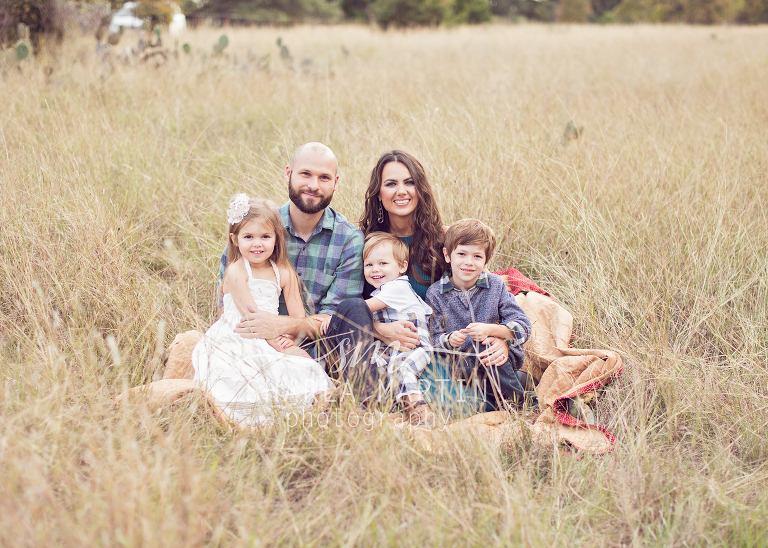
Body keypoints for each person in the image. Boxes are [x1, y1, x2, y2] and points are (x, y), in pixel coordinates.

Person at [229, 143, 380, 404]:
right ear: (288, 173)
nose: (314, 185)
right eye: (305, 174)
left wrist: (282, 325)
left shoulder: (349, 239)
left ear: (336, 182)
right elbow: (230, 300)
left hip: (323, 348)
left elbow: (331, 318)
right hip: (259, 342)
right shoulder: (255, 231)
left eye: (324, 178)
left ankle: (366, 404)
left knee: (355, 308)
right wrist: (270, 335)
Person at [359, 150, 512, 366]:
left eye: (409, 182)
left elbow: (484, 295)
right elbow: (347, 307)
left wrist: (500, 338)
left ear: (420, 189)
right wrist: (380, 331)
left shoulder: (445, 238)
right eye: (391, 184)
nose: (401, 191)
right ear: (378, 193)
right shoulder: (365, 243)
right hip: (379, 349)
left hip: (442, 349)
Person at [191, 196, 333, 426]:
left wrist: (288, 337)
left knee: (304, 364)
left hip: (271, 335)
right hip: (240, 335)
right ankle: (242, 420)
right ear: (235, 240)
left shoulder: (283, 272)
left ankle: (315, 410)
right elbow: (251, 316)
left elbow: (299, 319)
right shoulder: (237, 271)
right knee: (247, 375)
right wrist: (276, 340)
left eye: (265, 237)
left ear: (277, 238)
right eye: (249, 237)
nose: (257, 243)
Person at [426, 219, 532, 410]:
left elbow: (523, 324)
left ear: (486, 261)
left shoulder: (495, 285)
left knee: (484, 345)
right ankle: (513, 393)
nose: (468, 262)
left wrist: (494, 331)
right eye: (461, 254)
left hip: (498, 357)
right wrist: (449, 339)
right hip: (461, 364)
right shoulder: (435, 293)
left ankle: (523, 403)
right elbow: (432, 337)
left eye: (477, 256)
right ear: (447, 255)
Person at [360, 232, 435, 425]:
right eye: (369, 264)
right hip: (392, 350)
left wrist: (338, 314)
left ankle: (420, 412)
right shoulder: (382, 291)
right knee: (376, 369)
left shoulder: (397, 288)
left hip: (416, 347)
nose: (375, 269)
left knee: (403, 370)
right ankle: (387, 410)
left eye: (383, 263)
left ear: (402, 266)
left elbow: (361, 311)